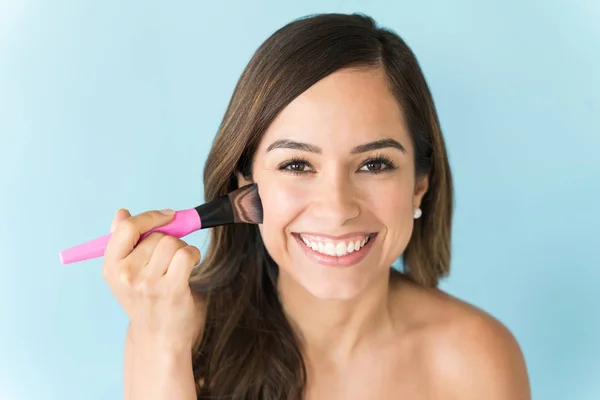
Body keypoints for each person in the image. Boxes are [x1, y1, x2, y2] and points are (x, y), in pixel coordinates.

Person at [102, 12, 531, 400]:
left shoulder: (477, 358)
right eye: (296, 164)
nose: (336, 208)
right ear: (245, 186)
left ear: (420, 183)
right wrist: (162, 345)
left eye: (374, 164)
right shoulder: (177, 335)